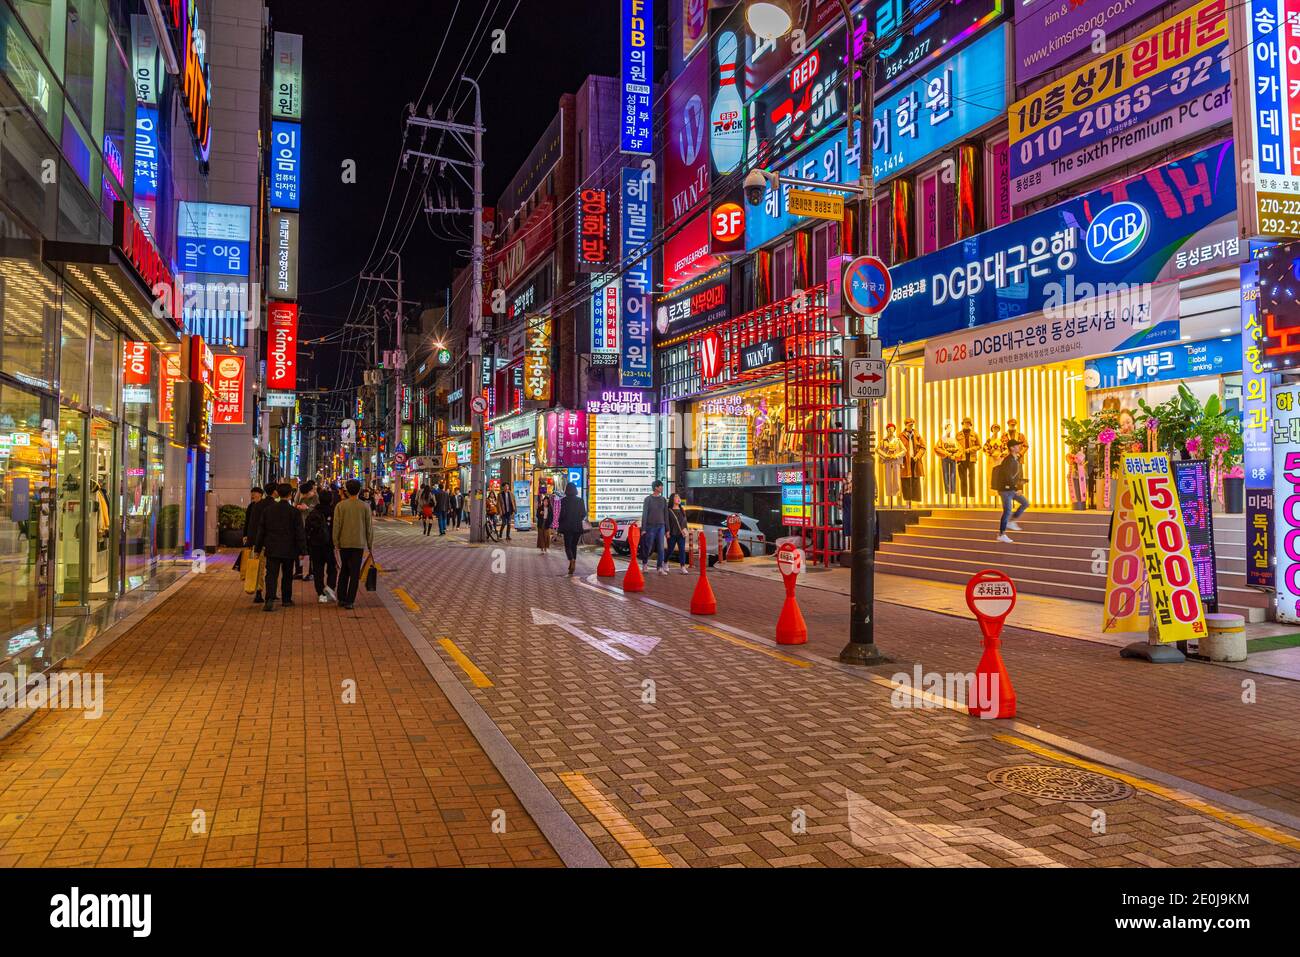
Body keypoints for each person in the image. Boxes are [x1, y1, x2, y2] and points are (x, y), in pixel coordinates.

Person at [255, 482, 306, 611]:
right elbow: (299, 531)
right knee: (287, 574)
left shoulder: (269, 510)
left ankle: (269, 599)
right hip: (289, 548)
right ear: (290, 495)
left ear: (278, 493)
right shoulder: (294, 512)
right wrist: (302, 550)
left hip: (272, 547)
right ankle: (286, 599)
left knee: (271, 574)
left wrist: (258, 548)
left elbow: (261, 530)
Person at [333, 479, 374, 610]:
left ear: (346, 491)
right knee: (355, 572)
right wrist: (370, 544)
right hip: (358, 543)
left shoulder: (340, 506)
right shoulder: (365, 506)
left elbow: (336, 526)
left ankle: (341, 598)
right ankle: (350, 600)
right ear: (359, 490)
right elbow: (369, 527)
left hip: (344, 542)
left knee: (344, 569)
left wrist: (336, 542)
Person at [993, 437, 1029, 543]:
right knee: (1007, 510)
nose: (1019, 447)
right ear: (1012, 448)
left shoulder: (1015, 459)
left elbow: (1013, 476)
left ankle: (1012, 521)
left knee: (1025, 503)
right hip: (1005, 490)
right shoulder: (1008, 460)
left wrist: (1021, 481)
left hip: (1011, 488)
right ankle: (1001, 534)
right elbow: (1007, 476)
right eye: (1017, 445)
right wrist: (1016, 488)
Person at [305, 490, 338, 603]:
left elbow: (307, 529)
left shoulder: (314, 512)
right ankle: (330, 587)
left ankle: (320, 593)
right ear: (331, 500)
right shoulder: (334, 512)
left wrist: (307, 545)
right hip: (329, 545)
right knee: (332, 568)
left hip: (315, 546)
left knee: (318, 570)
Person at [242, 485, 270, 603]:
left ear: (261, 494)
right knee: (258, 566)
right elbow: (247, 523)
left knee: (264, 567)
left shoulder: (264, 506)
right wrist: (245, 536)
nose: (253, 495)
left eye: (255, 493)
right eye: (252, 493)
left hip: (263, 540)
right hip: (255, 541)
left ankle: (266, 590)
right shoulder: (251, 507)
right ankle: (258, 591)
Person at [640, 479, 669, 575]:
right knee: (648, 546)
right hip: (650, 526)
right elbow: (645, 514)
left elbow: (666, 515)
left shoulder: (663, 500)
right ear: (656, 487)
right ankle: (645, 564)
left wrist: (667, 529)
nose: (662, 488)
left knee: (661, 548)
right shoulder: (648, 499)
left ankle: (659, 568)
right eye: (660, 486)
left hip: (661, 526)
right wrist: (643, 529)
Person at [557, 483, 586, 576]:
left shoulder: (564, 501)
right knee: (574, 546)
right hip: (577, 527)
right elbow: (583, 513)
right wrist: (577, 519)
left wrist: (559, 522)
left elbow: (562, 514)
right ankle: (572, 564)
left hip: (567, 527)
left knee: (567, 546)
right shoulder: (580, 500)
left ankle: (571, 560)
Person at [665, 492, 690, 574]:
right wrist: (667, 531)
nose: (679, 498)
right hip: (672, 533)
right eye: (676, 497)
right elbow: (667, 522)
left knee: (682, 550)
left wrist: (686, 529)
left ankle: (683, 567)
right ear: (672, 499)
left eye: (679, 497)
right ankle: (665, 562)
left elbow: (684, 521)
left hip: (681, 534)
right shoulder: (669, 510)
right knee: (670, 550)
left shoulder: (682, 509)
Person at [536, 484, 554, 554]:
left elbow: (552, 517)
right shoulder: (540, 508)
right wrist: (540, 514)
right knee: (541, 536)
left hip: (547, 523)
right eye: (544, 501)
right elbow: (537, 515)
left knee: (546, 536)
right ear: (543, 501)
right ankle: (542, 548)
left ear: (548, 502)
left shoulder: (550, 509)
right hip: (541, 523)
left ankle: (546, 547)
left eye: (547, 501)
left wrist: (550, 523)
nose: (545, 502)